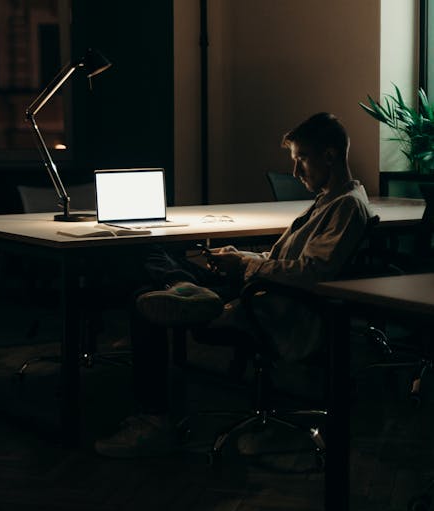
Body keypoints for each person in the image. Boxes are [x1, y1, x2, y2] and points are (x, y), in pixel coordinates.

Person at [95, 112, 375, 458]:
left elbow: (311, 273)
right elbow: (288, 258)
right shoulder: (331, 200)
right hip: (263, 288)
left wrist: (245, 265)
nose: (295, 171)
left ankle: (153, 419)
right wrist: (239, 255)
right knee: (151, 249)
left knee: (143, 299)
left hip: (272, 305)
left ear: (329, 156)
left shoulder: (346, 207)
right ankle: (183, 284)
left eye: (301, 158)